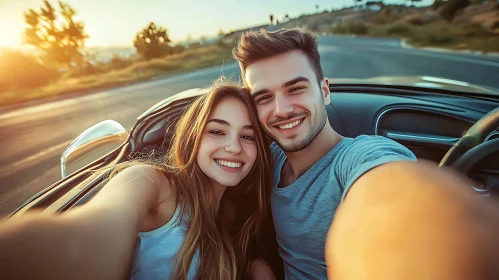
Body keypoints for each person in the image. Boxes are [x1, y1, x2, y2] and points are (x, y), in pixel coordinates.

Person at [0, 80, 273, 280]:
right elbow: (87, 239)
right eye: (217, 131)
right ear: (193, 138)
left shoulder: (234, 219)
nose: (234, 147)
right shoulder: (152, 183)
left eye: (247, 136)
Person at [232, 28, 418, 279]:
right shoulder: (268, 158)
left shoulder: (357, 158)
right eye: (264, 97)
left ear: (325, 91)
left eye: (296, 89)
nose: (282, 110)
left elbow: (399, 190)